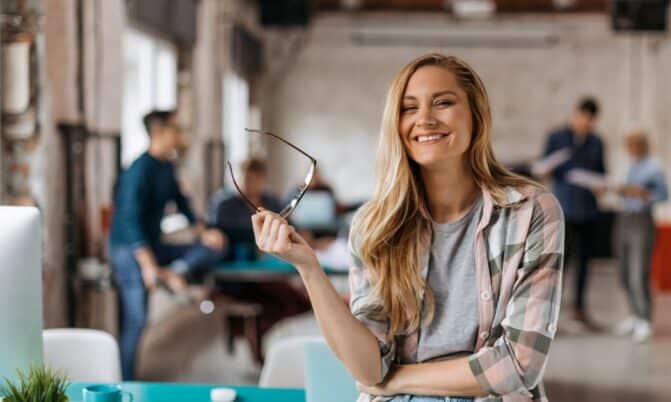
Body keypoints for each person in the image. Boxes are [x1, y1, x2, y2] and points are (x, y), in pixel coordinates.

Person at [252, 53, 564, 401]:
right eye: (408, 108)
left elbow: (518, 365)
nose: (425, 119)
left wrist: (396, 380)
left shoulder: (531, 212)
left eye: (443, 102)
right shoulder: (374, 225)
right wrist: (308, 267)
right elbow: (368, 368)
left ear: (477, 116)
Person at [108, 110, 226, 380]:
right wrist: (148, 266)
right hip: (129, 250)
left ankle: (176, 273)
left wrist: (203, 231)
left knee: (216, 246)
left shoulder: (167, 166)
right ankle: (125, 381)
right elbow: (128, 221)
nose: (180, 135)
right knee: (137, 320)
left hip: (154, 244)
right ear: (159, 133)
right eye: (176, 129)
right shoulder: (138, 171)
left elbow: (181, 204)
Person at [539, 97, 605, 331]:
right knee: (560, 264)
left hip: (588, 210)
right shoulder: (557, 138)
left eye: (591, 121)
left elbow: (600, 173)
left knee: (585, 264)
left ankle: (579, 310)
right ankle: (550, 315)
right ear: (576, 114)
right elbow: (542, 168)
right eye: (584, 118)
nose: (587, 124)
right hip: (564, 209)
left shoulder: (596, 142)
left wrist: (600, 185)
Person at [613, 130, 668, 343]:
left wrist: (644, 194)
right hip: (624, 217)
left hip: (641, 220)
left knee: (639, 272)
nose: (632, 148)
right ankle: (634, 314)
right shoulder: (630, 166)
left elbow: (664, 195)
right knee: (624, 272)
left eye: (635, 144)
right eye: (629, 144)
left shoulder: (654, 168)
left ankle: (645, 318)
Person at [209, 158, 281, 261]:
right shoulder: (225, 205)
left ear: (264, 180)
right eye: (248, 178)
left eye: (257, 178)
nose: (252, 183)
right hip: (232, 258)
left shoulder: (273, 202)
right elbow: (215, 231)